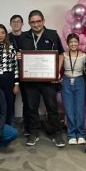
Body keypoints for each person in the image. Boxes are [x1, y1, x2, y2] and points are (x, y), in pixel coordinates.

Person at [17, 10, 65, 147]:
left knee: (52, 107)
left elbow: (61, 55)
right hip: (30, 80)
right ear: (29, 23)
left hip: (49, 80)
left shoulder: (52, 34)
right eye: (33, 22)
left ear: (43, 21)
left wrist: (56, 72)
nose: (36, 24)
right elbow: (19, 54)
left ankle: (56, 133)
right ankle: (33, 132)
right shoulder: (23, 37)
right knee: (32, 107)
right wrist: (18, 56)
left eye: (38, 21)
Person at [59, 33, 86, 145]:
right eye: (71, 42)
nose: (73, 44)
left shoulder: (84, 56)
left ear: (78, 43)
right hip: (66, 81)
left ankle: (80, 134)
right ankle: (71, 135)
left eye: (75, 41)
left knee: (80, 110)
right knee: (69, 109)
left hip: (79, 81)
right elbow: (57, 70)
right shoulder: (64, 55)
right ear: (68, 44)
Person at [8, 14, 30, 135]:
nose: (16, 23)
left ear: (22, 24)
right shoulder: (6, 37)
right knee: (10, 100)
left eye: (18, 21)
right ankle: (10, 126)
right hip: (11, 73)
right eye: (13, 21)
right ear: (10, 24)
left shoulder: (28, 37)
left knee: (27, 100)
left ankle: (27, 126)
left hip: (26, 72)